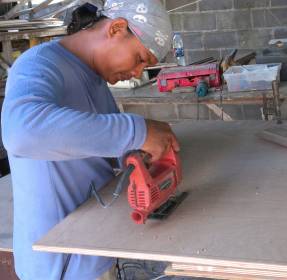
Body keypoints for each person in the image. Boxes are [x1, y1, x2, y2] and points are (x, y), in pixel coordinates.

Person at [1, 0, 179, 279]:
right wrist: (138, 131)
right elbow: (22, 133)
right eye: (140, 59)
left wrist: (138, 151)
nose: (136, 73)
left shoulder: (94, 77)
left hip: (94, 243)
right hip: (59, 264)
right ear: (117, 28)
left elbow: (101, 142)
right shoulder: (39, 64)